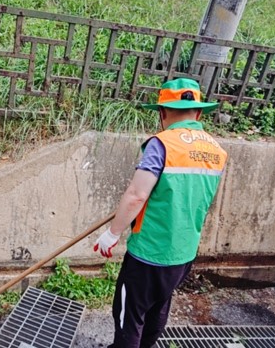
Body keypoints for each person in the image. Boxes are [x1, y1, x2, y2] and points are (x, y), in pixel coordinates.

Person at [93, 78, 228, 348]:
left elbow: (137, 194)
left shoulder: (162, 144)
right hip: (183, 252)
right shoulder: (216, 151)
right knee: (158, 307)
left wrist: (112, 234)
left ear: (163, 112)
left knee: (129, 316)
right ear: (198, 114)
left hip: (150, 252)